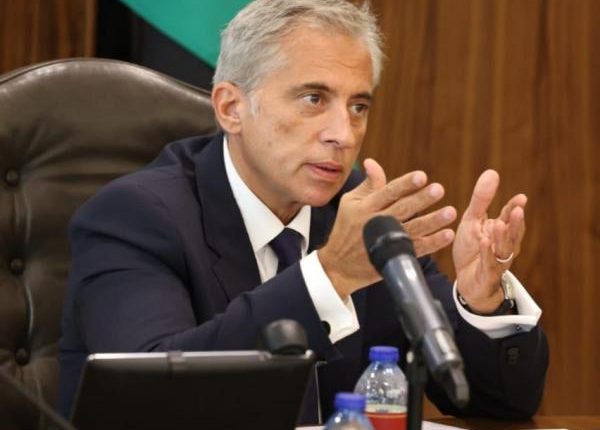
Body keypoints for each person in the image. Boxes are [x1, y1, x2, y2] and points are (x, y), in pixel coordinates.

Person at [59, 0, 548, 423]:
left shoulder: (360, 212)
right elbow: (147, 402)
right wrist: (329, 277)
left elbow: (499, 402)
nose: (344, 134)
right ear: (231, 107)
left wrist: (481, 303)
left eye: (358, 106)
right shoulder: (135, 217)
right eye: (314, 99)